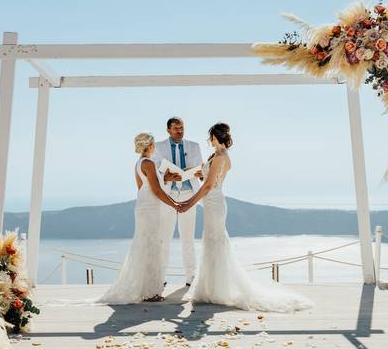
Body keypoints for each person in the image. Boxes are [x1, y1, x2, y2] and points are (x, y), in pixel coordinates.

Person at [181, 123, 314, 313]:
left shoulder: (219, 157)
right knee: (212, 242)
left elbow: (209, 185)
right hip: (212, 203)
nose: (209, 140)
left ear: (216, 137)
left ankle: (218, 290)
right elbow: (207, 176)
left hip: (214, 202)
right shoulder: (218, 156)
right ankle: (212, 287)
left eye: (211, 137)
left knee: (215, 242)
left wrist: (189, 203)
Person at [96, 133, 181, 304]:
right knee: (151, 246)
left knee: (146, 245)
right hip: (150, 207)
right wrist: (175, 204)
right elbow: (156, 190)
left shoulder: (139, 163)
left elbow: (144, 186)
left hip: (144, 204)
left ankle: (147, 289)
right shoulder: (149, 163)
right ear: (150, 146)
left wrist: (166, 178)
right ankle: (150, 292)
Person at [153, 117, 203, 287]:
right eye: (175, 129)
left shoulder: (194, 146)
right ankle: (160, 277)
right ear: (168, 130)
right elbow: (154, 172)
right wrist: (165, 177)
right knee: (164, 239)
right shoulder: (158, 147)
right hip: (168, 196)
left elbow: (200, 169)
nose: (179, 131)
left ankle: (191, 277)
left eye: (182, 128)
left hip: (189, 194)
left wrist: (199, 173)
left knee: (188, 239)